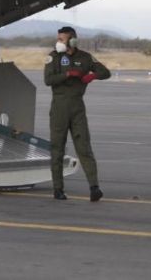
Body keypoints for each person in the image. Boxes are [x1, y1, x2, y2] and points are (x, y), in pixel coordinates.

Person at [44, 26, 111, 202]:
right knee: (57, 149)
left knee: (84, 148)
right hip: (59, 107)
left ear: (72, 41)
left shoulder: (85, 57)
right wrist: (67, 74)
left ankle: (94, 188)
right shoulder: (53, 57)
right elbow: (48, 80)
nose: (59, 42)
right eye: (58, 39)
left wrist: (92, 76)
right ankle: (58, 189)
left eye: (62, 39)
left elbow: (105, 72)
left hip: (77, 108)